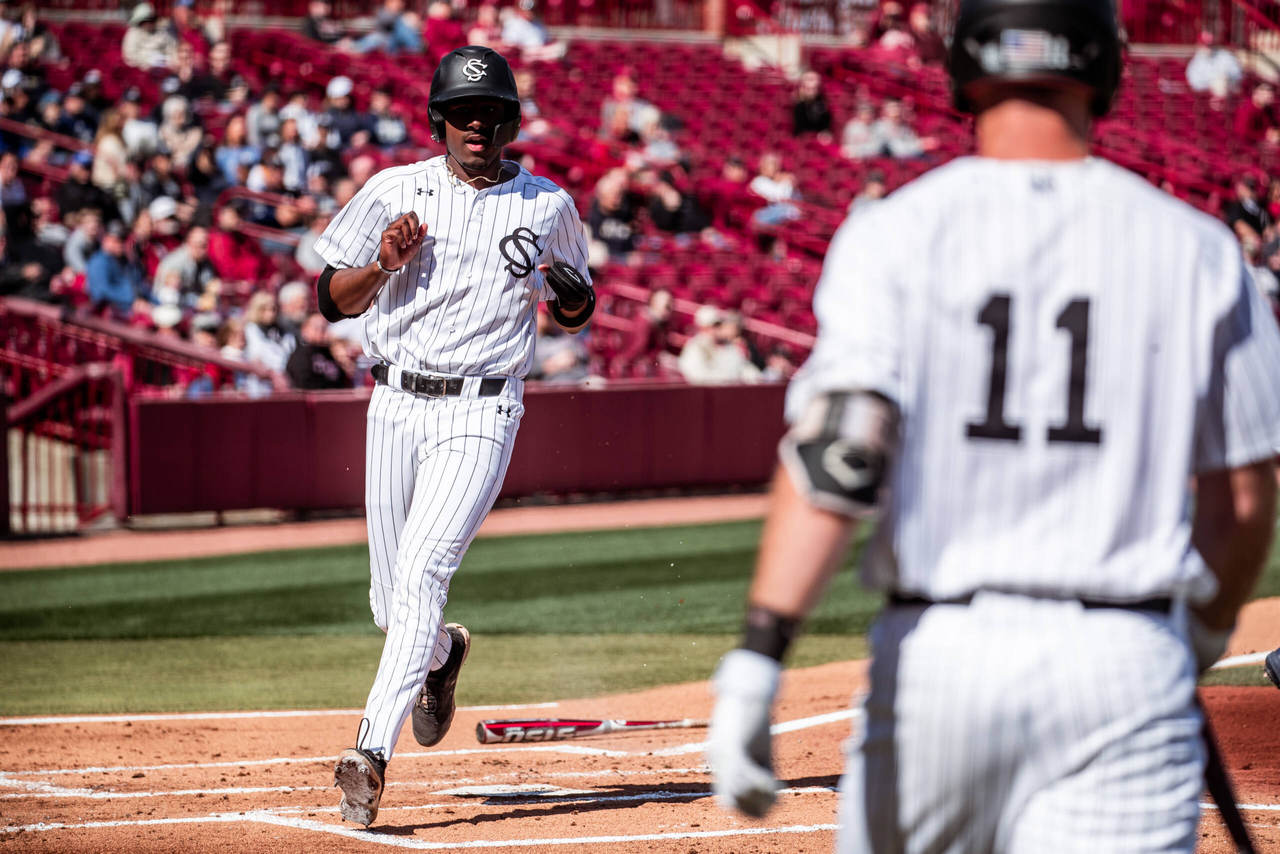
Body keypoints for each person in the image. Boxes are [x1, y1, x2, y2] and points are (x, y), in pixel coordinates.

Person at [706, 6, 1280, 854]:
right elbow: (1240, 494)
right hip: (1122, 653)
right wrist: (1191, 637)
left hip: (941, 654)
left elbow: (840, 455)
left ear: (965, 63)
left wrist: (760, 655)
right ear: (1105, 64)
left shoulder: (894, 233)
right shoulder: (1196, 248)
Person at [315, 46, 594, 828]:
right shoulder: (393, 191)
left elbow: (576, 305)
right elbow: (333, 298)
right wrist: (380, 265)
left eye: (492, 113)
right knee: (388, 603)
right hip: (395, 404)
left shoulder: (548, 206)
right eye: (464, 112)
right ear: (438, 119)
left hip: (483, 407)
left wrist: (571, 299)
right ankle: (442, 657)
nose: (478, 124)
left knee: (425, 572)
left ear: (510, 122)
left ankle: (368, 756)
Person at [86, 220, 146, 318]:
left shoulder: (123, 260)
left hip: (131, 309)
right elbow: (102, 293)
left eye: (123, 240)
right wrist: (133, 301)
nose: (121, 245)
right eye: (117, 240)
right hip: (112, 315)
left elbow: (139, 284)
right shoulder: (98, 262)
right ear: (106, 239)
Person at [153, 225, 216, 307]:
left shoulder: (205, 262)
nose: (202, 250)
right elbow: (170, 296)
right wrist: (198, 302)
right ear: (188, 242)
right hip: (165, 307)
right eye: (199, 245)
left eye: (205, 245)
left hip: (191, 306)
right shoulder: (176, 262)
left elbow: (209, 285)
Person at [286, 312, 351, 389]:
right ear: (304, 329)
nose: (321, 331)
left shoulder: (332, 353)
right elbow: (304, 386)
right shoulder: (300, 356)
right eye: (317, 328)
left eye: (324, 327)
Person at [1186, 30, 1242, 98]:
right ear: (1199, 44)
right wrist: (1212, 84)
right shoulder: (1195, 63)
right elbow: (1194, 83)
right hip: (1206, 98)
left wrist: (1228, 79)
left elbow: (1238, 73)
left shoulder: (1225, 56)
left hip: (1229, 94)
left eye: (1209, 44)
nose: (1208, 47)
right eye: (1205, 45)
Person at [121, 3, 176, 70]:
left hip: (163, 69)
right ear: (140, 21)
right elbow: (129, 56)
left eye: (151, 20)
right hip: (140, 72)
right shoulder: (133, 34)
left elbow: (172, 49)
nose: (149, 23)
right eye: (146, 21)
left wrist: (167, 60)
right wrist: (146, 63)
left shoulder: (162, 32)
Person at [1225, 173, 1271, 245]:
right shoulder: (1236, 206)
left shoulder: (1260, 208)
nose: (1249, 191)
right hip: (1246, 242)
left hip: (1261, 243)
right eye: (1247, 187)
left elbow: (1266, 226)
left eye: (1252, 188)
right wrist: (1257, 238)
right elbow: (1239, 225)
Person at [792, 71, 833, 139]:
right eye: (808, 89)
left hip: (819, 136)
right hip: (804, 137)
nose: (811, 92)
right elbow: (799, 127)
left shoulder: (821, 102)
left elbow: (825, 122)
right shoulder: (799, 105)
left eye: (814, 89)